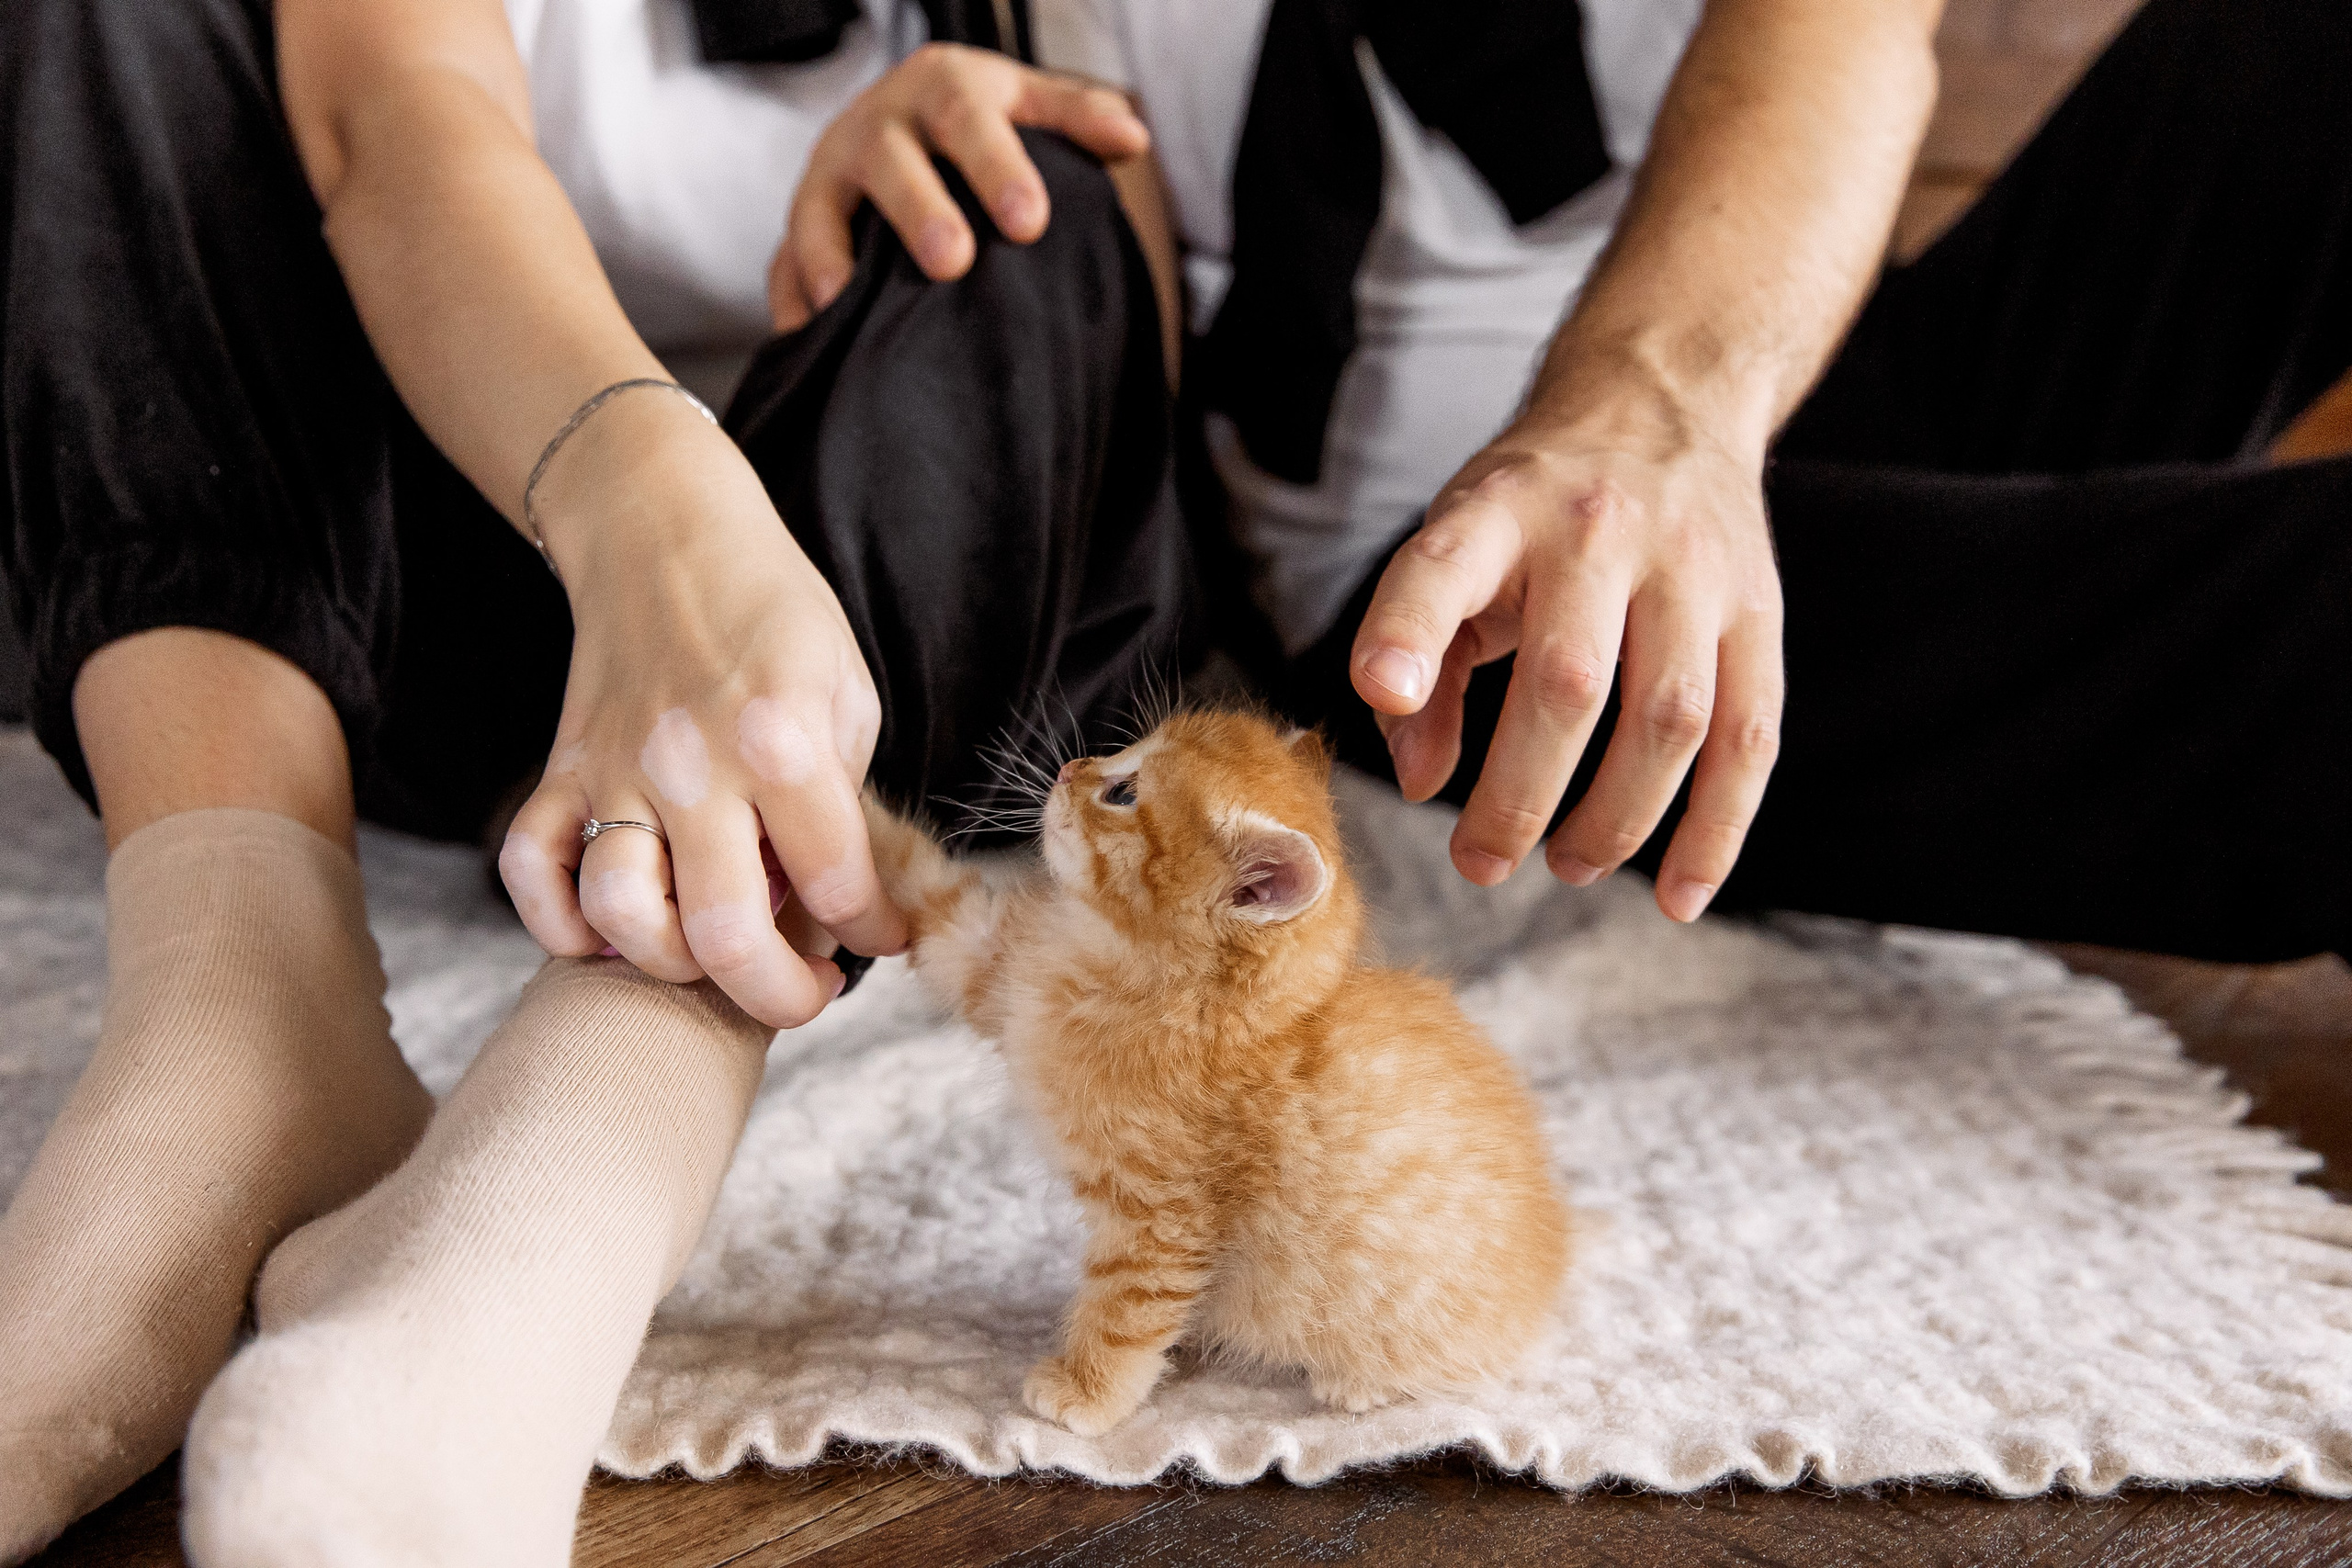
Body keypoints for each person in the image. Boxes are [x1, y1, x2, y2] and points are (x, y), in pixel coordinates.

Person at [0, 0, 1187, 1560]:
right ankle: (234, 1001)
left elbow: (1134, 357)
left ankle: (582, 1162)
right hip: (430, 600)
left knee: (1024, 177)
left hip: (882, 661)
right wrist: (651, 503)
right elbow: (398, 127)